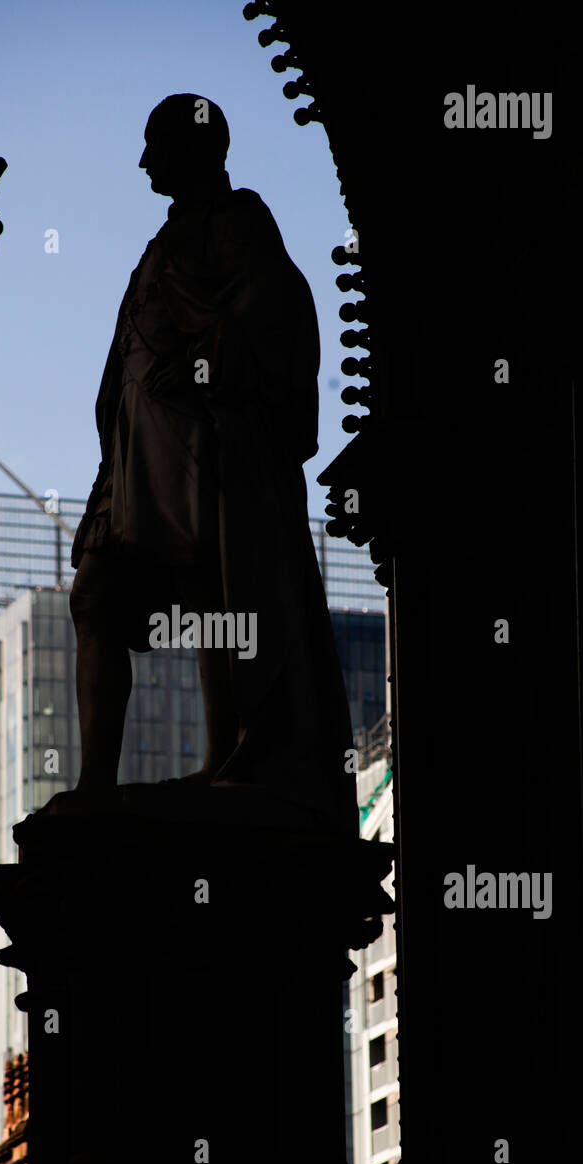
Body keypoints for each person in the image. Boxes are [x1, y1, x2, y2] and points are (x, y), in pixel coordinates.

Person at [70, 93, 357, 829]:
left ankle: (232, 757)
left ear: (191, 150)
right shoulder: (163, 246)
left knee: (213, 596)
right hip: (136, 462)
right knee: (97, 595)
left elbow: (280, 310)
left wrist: (201, 362)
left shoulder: (241, 224)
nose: (142, 163)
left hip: (205, 457)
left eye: (152, 147)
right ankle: (94, 781)